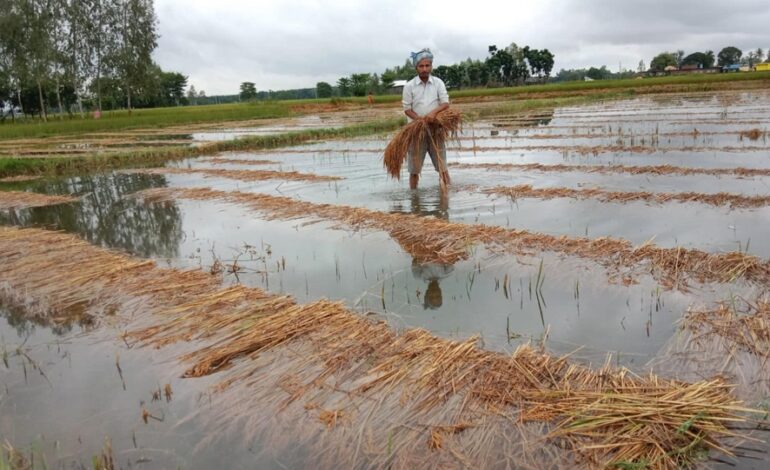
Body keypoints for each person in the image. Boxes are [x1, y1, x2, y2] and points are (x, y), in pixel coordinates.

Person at [402, 48, 450, 189]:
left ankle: (446, 192)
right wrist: (420, 120)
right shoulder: (409, 86)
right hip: (416, 132)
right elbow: (407, 109)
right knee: (414, 169)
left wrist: (433, 114)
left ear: (431, 66)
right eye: (421, 66)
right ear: (416, 67)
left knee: (442, 166)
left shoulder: (438, 83)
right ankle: (414, 196)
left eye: (427, 65)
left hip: (436, 130)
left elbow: (445, 103)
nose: (424, 69)